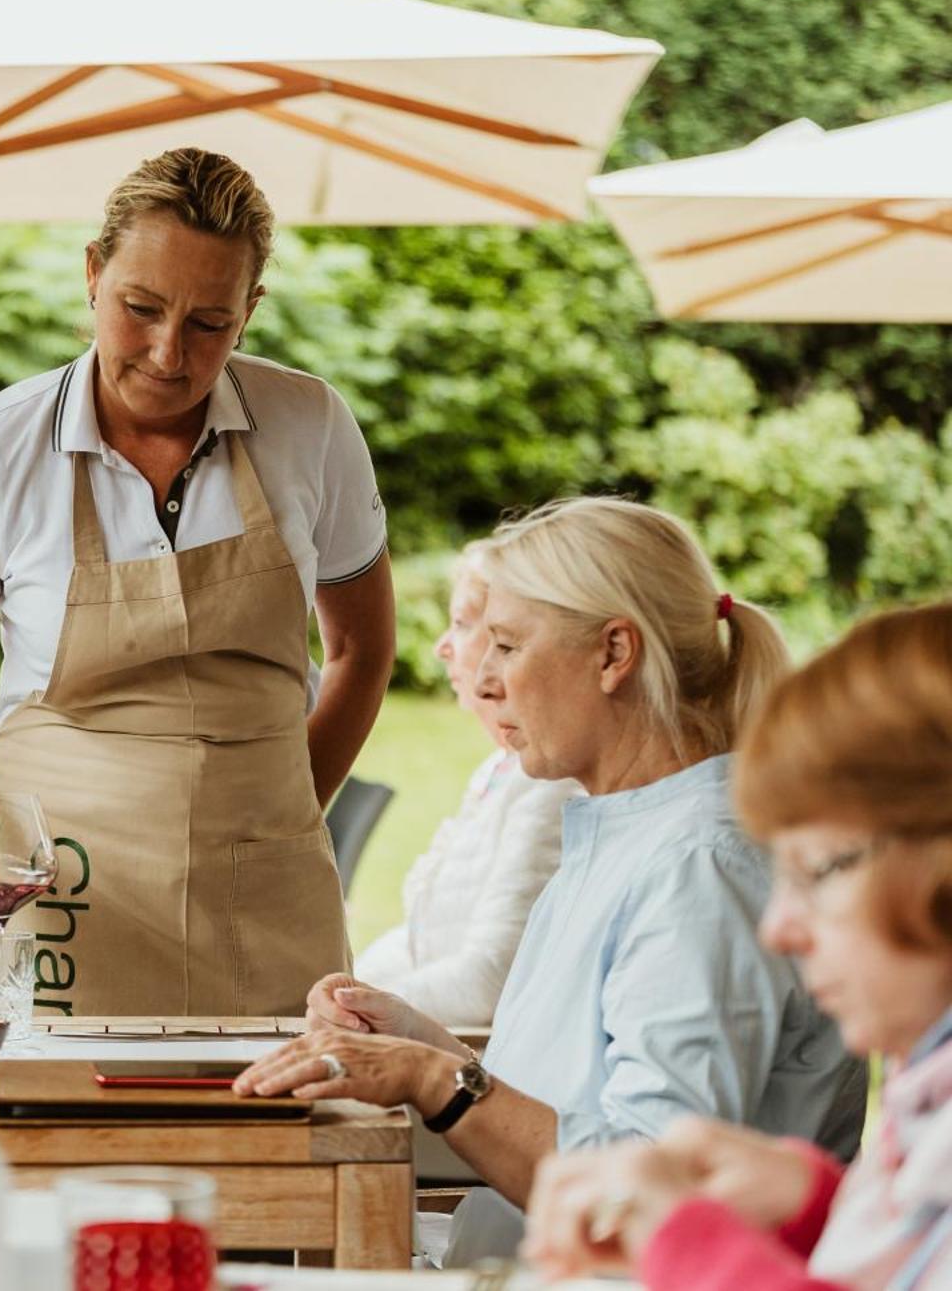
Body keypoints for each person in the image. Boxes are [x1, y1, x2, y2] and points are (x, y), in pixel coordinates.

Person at [0, 147, 394, 1017]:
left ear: (252, 310)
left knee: (282, 1135)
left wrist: (287, 810)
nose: (170, 352)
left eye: (210, 320)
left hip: (271, 893)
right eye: (142, 308)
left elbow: (361, 647)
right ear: (93, 275)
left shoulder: (309, 425)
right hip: (59, 895)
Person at [233, 496, 864, 1261]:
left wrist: (434, 1078)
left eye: (505, 645)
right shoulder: (632, 829)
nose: (484, 681)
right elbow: (573, 1099)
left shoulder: (700, 866)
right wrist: (417, 1040)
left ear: (613, 654)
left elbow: (646, 1188)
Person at [522, 602, 952, 1289]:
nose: (779, 926)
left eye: (818, 870)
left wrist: (686, 1241)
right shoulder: (929, 1084)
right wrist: (814, 1203)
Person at [353, 545, 579, 1026]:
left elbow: (492, 979)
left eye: (462, 623)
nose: (441, 647)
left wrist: (355, 1009)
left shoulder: (549, 783)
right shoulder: (498, 772)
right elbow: (421, 939)